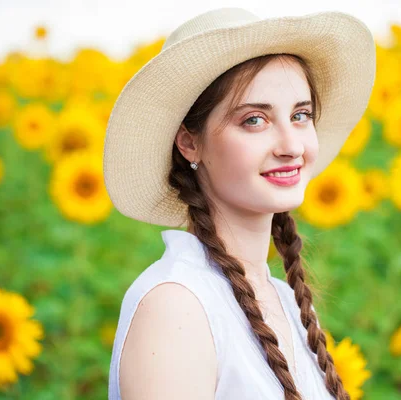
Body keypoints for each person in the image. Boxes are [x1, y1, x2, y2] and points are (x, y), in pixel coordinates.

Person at [103, 7, 376, 400]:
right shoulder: (176, 307)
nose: (291, 145)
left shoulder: (287, 302)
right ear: (189, 142)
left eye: (301, 115)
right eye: (254, 120)